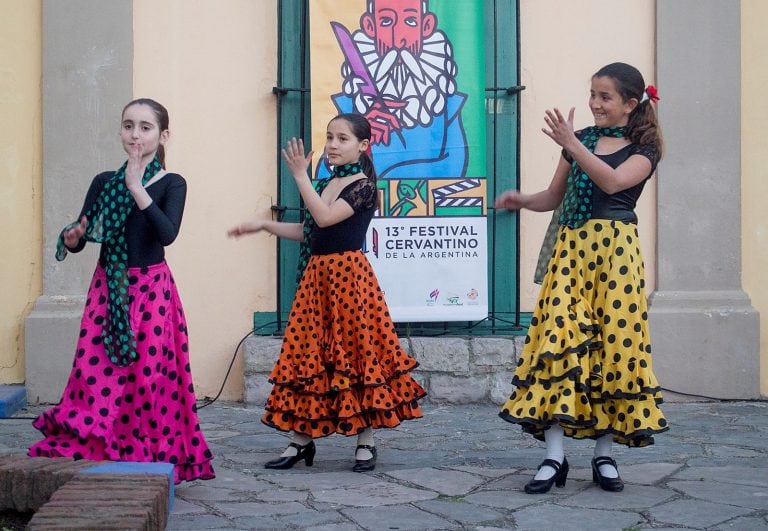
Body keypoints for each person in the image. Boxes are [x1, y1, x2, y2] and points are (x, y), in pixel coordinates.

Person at [495, 63, 668, 494]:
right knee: (558, 344)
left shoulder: (645, 148)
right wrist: (523, 200)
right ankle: (554, 457)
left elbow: (611, 183)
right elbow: (555, 196)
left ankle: (603, 454)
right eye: (592, 93)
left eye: (605, 96)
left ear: (631, 104)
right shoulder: (582, 141)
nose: (594, 103)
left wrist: (572, 142)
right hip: (571, 253)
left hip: (615, 256)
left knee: (612, 347)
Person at [28, 98, 215, 485]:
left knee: (148, 376)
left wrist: (136, 185)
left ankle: (148, 454)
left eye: (145, 127)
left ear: (162, 136)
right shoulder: (102, 183)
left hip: (152, 291)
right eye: (128, 126)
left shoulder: (171, 183)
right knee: (97, 372)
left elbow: (167, 234)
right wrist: (74, 235)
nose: (135, 134)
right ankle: (99, 446)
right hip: (109, 289)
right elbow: (82, 236)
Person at [228, 113, 426, 472]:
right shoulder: (327, 184)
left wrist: (301, 176)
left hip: (348, 278)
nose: (333, 144)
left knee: (356, 352)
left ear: (363, 146)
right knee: (309, 354)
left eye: (342, 139)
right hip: (317, 277)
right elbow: (312, 231)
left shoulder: (364, 186)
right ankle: (301, 440)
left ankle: (366, 439)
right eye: (330, 137)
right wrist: (263, 225)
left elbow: (324, 218)